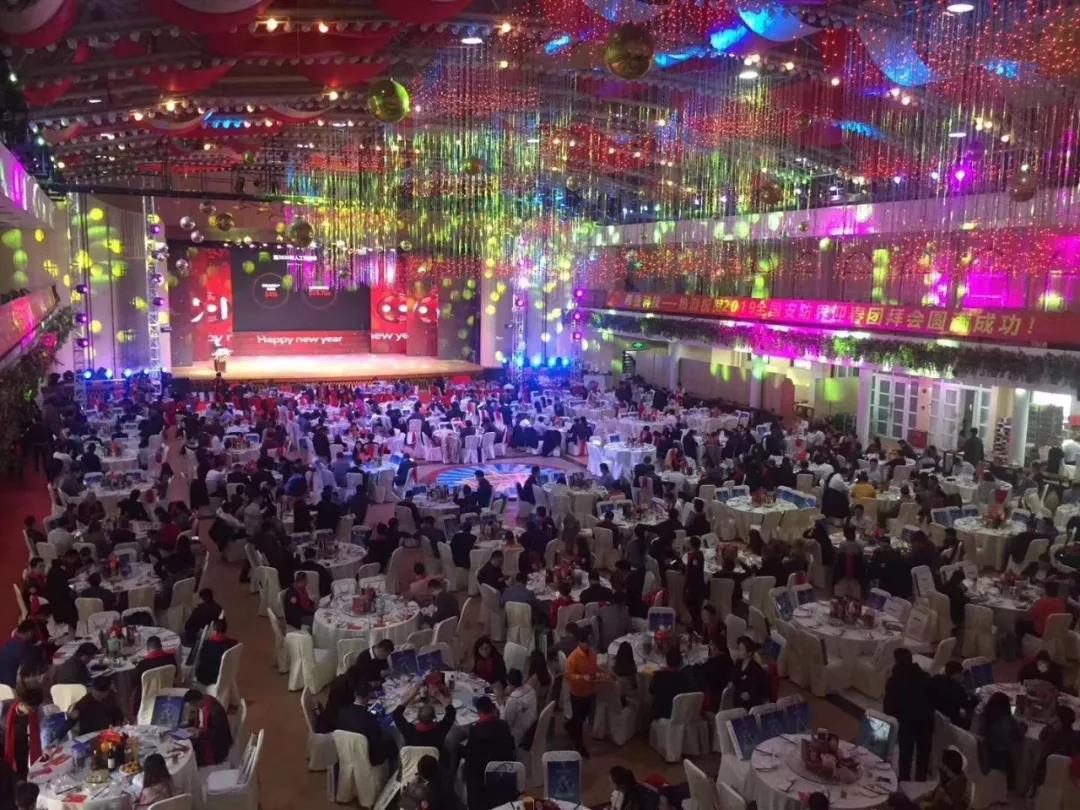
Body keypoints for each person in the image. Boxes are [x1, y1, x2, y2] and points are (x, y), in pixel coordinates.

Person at [884, 648, 934, 782]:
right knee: (923, 753)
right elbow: (933, 699)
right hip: (925, 721)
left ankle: (904, 781)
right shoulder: (925, 677)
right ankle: (921, 781)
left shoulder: (894, 681)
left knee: (906, 753)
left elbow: (888, 708)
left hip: (906, 723)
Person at [463, 696, 515, 810]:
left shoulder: (476, 730)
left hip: (482, 775)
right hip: (503, 768)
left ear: (479, 712)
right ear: (492, 709)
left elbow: (471, 756)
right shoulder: (503, 725)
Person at [334, 682, 394, 766]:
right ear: (370, 696)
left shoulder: (341, 712)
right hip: (366, 758)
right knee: (392, 744)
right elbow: (377, 742)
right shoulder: (369, 718)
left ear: (355, 694)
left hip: (344, 753)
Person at [391, 682, 457, 752]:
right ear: (434, 718)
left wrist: (411, 695)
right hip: (436, 756)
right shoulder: (440, 730)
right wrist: (438, 696)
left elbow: (396, 714)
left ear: (417, 717)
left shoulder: (408, 730)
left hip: (414, 756)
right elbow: (451, 712)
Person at [564, 625, 599, 757]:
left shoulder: (592, 654)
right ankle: (580, 747)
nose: (587, 645)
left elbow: (594, 667)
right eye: (585, 642)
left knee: (583, 716)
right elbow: (568, 675)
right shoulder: (573, 658)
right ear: (579, 642)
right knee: (579, 722)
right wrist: (581, 677)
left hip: (590, 691)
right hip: (577, 694)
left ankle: (569, 725)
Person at [978, 691, 1024, 790]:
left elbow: (981, 732)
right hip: (1002, 756)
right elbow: (1019, 737)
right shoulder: (1009, 720)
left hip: (986, 753)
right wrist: (1022, 728)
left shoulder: (985, 717)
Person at [184, 689, 233, 767]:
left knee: (188, 753)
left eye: (192, 705)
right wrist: (193, 728)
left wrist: (199, 733)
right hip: (206, 737)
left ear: (195, 702)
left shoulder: (215, 711)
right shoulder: (203, 702)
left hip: (216, 748)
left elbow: (218, 735)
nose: (192, 708)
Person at [3, 688, 45, 777]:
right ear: (22, 704)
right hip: (4, 741)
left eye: (35, 709)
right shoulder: (5, 707)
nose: (33, 712)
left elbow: (40, 731)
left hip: (22, 744)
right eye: (31, 709)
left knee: (23, 770)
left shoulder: (37, 712)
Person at [928, 661, 976, 730]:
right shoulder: (957, 688)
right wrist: (975, 697)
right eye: (961, 674)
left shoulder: (936, 678)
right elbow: (967, 704)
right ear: (957, 674)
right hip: (950, 721)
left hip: (934, 715)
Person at [649, 648, 693, 719]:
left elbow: (651, 690)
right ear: (681, 662)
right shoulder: (685, 679)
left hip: (661, 714)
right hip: (679, 714)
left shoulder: (658, 676)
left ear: (666, 660)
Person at [195, 618, 238, 686]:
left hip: (204, 678)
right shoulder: (233, 643)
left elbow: (200, 659)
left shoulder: (207, 644)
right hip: (224, 677)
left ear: (214, 631)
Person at [731, 636, 770, 710]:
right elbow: (734, 679)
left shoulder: (756, 669)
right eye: (738, 649)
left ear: (749, 653)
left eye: (741, 649)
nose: (738, 651)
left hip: (751, 704)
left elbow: (760, 689)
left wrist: (750, 694)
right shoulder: (738, 664)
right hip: (738, 701)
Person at [502, 668, 538, 747]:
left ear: (508, 682)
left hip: (518, 737)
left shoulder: (513, 699)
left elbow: (506, 724)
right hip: (531, 729)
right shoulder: (531, 690)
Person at [0, 622, 37, 687]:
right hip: (10, 685)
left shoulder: (10, 642)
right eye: (33, 634)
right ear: (29, 633)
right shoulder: (21, 649)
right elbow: (28, 670)